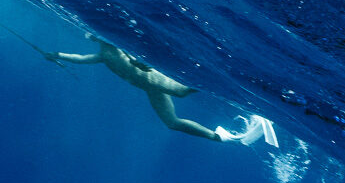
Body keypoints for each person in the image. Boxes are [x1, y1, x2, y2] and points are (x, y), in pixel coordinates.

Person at [44, 35, 276, 146]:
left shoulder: (113, 43)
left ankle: (226, 80)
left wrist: (140, 61)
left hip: (151, 78)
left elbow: (134, 50)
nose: (91, 36)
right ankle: (220, 136)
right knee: (171, 122)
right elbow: (80, 58)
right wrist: (56, 55)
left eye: (91, 34)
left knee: (183, 91)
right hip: (149, 88)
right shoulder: (102, 55)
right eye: (90, 35)